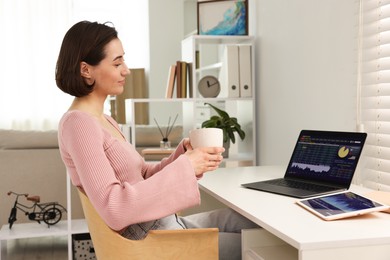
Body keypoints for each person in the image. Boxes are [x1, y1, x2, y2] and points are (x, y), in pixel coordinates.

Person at [55, 20, 258, 260]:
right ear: (86, 70)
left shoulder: (104, 120)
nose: (126, 70)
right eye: (117, 62)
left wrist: (182, 157)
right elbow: (114, 208)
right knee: (266, 246)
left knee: (253, 219)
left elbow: (141, 177)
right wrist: (186, 166)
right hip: (151, 241)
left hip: (165, 225)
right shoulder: (79, 125)